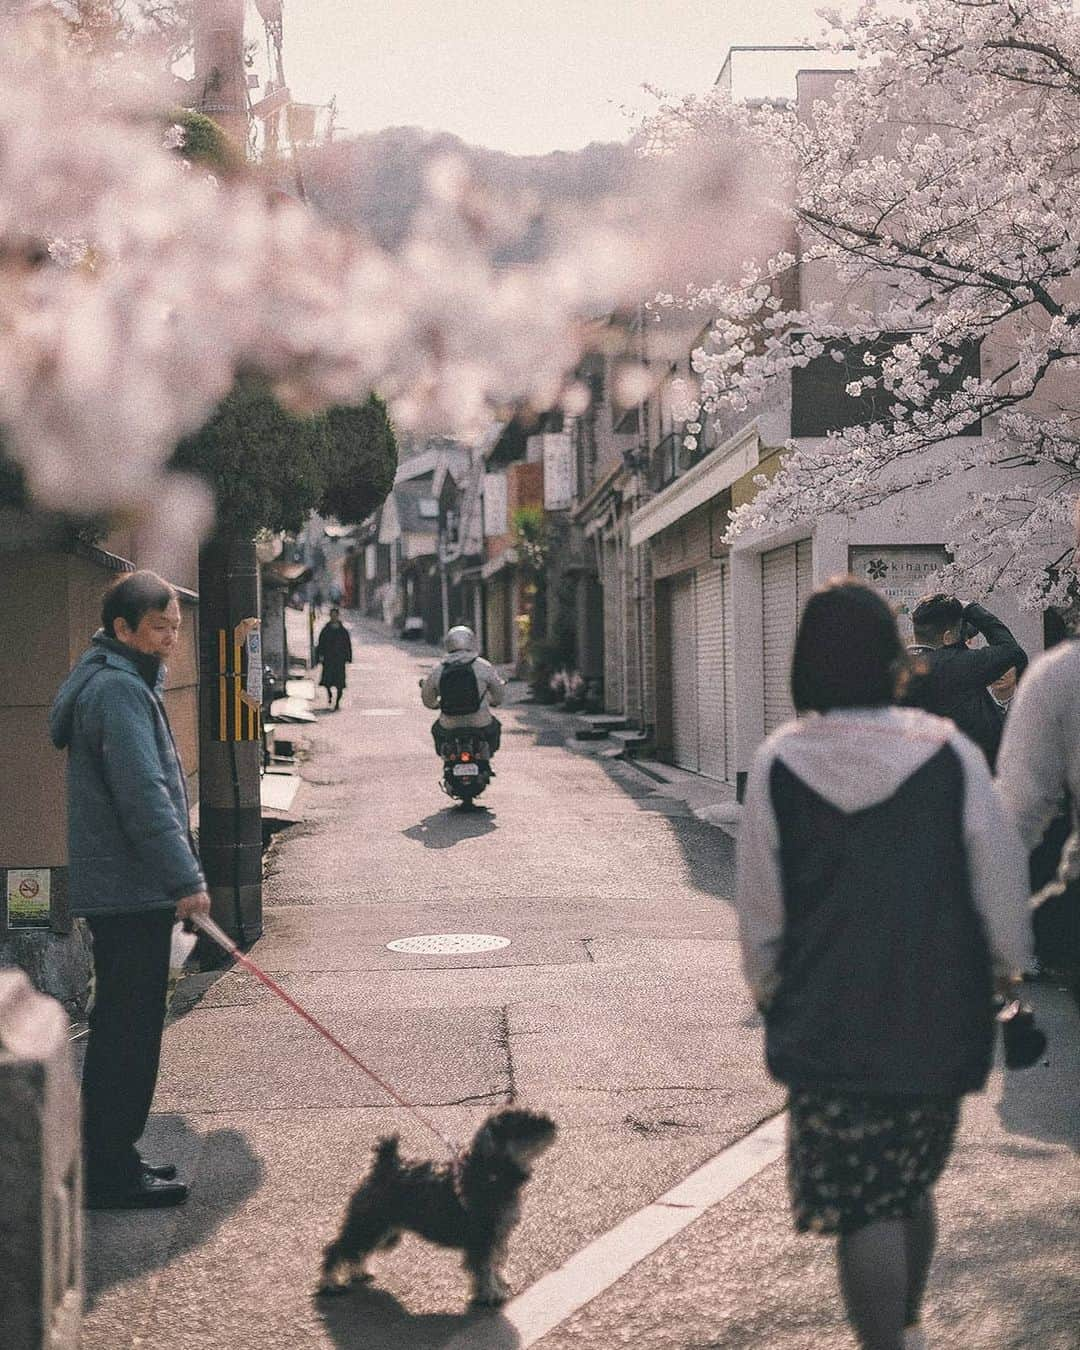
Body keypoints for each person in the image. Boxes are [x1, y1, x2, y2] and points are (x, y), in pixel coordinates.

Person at [736, 578, 1031, 1350]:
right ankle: (905, 1322)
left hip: (827, 1013)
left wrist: (774, 993)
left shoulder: (779, 762)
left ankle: (888, 1343)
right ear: (890, 658)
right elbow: (999, 881)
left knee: (865, 1202)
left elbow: (763, 910)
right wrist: (1006, 973)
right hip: (939, 1008)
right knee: (908, 1182)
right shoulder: (949, 755)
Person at [49, 571, 210, 1209]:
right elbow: (145, 798)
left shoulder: (120, 682)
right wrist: (185, 880)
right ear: (122, 630)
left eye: (176, 626)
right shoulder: (118, 692)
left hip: (126, 889)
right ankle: (110, 1172)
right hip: (131, 891)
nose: (172, 638)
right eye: (160, 627)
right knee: (128, 1033)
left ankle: (111, 1158)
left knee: (123, 1026)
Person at [903, 593, 1027, 765]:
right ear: (947, 637)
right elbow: (1011, 650)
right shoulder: (959, 664)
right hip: (973, 771)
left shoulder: (899, 667)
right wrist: (971, 608)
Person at [421, 625, 505, 760]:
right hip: (480, 721)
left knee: (436, 730)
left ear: (448, 644)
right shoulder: (483, 666)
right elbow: (498, 693)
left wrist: (435, 705)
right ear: (472, 642)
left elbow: (427, 698)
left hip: (449, 723)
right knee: (495, 728)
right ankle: (485, 759)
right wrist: (494, 701)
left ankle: (447, 759)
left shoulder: (438, 669)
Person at [981, 665, 1019, 771]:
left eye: (1007, 667)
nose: (1000, 673)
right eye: (995, 667)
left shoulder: (1028, 703)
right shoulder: (977, 703)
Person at [315, 607, 353, 709]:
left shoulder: (343, 631)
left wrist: (348, 657)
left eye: (335, 615)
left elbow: (347, 644)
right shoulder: (326, 630)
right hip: (329, 659)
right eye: (332, 615)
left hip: (339, 660)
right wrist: (319, 657)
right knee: (327, 681)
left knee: (339, 683)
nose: (334, 617)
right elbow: (320, 644)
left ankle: (337, 702)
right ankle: (330, 695)